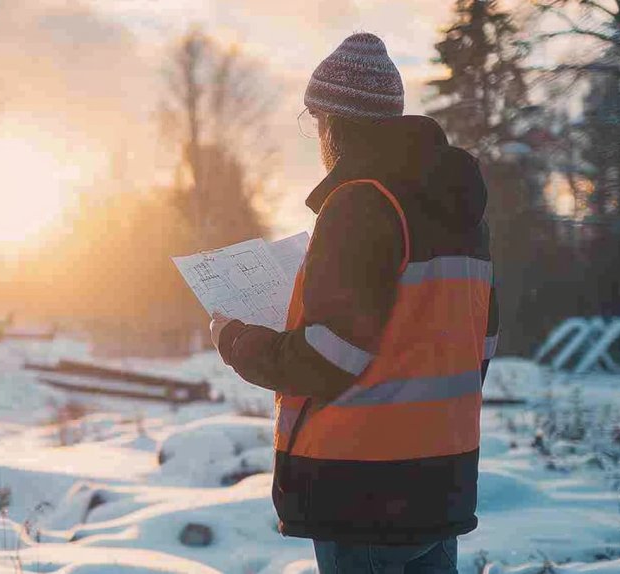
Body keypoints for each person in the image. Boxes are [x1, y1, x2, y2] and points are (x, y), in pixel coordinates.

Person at [209, 32, 500, 574]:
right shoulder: (462, 216)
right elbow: (478, 345)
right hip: (443, 482)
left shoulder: (359, 205)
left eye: (316, 121)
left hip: (365, 488)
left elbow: (327, 358)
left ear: (333, 124)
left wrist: (236, 339)